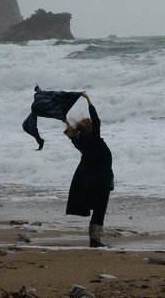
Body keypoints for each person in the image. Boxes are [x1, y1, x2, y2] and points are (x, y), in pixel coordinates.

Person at [62, 92, 114, 247]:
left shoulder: (80, 143)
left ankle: (94, 240)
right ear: (92, 129)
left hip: (89, 179)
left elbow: (71, 133)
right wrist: (88, 100)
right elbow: (96, 119)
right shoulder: (95, 139)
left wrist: (65, 120)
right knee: (100, 211)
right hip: (101, 180)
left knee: (97, 210)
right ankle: (95, 240)